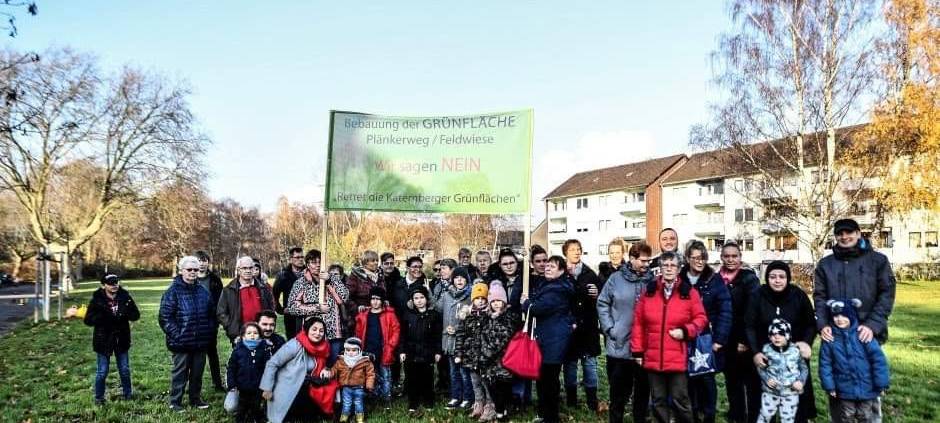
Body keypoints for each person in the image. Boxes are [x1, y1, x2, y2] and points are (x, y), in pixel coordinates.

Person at [813, 218, 896, 423]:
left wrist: (872, 325)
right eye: (840, 233)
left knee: (868, 389)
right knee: (840, 396)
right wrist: (823, 325)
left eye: (849, 232)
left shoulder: (878, 261)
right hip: (836, 335)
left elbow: (887, 294)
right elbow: (820, 297)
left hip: (866, 334)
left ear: (859, 234)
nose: (844, 237)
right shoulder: (826, 265)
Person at [631, 251, 707, 423]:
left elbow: (701, 319)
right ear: (660, 268)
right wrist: (637, 351)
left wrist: (686, 331)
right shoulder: (649, 292)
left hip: (677, 357)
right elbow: (638, 323)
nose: (669, 268)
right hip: (653, 356)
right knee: (658, 400)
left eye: (673, 265)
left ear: (679, 268)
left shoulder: (689, 292)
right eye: (665, 265)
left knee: (681, 399)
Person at [746, 261, 818, 423]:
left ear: (788, 278)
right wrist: (756, 352)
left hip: (793, 359)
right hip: (766, 359)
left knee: (795, 408)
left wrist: (806, 342)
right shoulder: (757, 295)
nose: (777, 280)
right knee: (764, 408)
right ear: (767, 278)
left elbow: (810, 324)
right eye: (772, 277)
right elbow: (749, 326)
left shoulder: (798, 295)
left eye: (781, 277)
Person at [597, 241, 654, 423]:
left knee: (642, 391)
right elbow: (602, 302)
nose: (646, 264)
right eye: (643, 261)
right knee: (618, 393)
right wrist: (610, 329)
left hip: (645, 347)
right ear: (631, 259)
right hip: (619, 344)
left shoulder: (653, 280)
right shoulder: (615, 279)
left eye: (648, 261)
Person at [680, 240, 732, 423]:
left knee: (707, 379)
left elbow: (725, 310)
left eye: (702, 257)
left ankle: (708, 415)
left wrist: (719, 339)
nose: (699, 261)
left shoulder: (714, 279)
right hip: (685, 338)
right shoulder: (680, 278)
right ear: (687, 258)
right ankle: (692, 415)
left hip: (707, 338)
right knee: (688, 381)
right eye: (694, 258)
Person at [520, 255, 575, 423]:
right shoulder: (549, 285)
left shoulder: (558, 289)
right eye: (547, 265)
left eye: (552, 266)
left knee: (549, 380)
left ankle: (550, 417)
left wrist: (526, 303)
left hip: (554, 341)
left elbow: (539, 308)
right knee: (544, 378)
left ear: (561, 271)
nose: (547, 268)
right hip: (548, 338)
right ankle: (545, 413)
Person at [158, 256, 216, 412]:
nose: (192, 272)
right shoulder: (172, 292)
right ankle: (175, 402)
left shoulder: (203, 291)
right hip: (181, 342)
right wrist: (178, 335)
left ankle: (195, 399)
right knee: (180, 373)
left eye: (195, 270)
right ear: (181, 270)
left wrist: (208, 332)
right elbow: (165, 318)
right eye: (189, 269)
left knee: (197, 373)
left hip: (200, 342)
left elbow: (212, 315)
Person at [818, 299, 890, 423]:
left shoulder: (862, 335)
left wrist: (881, 384)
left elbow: (878, 361)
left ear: (851, 316)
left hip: (867, 388)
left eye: (843, 315)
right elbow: (825, 365)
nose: (839, 319)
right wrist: (829, 386)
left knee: (865, 416)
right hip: (844, 390)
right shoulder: (830, 339)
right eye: (836, 316)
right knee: (846, 416)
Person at [260, 317, 339, 423]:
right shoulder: (295, 344)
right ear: (307, 330)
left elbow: (320, 365)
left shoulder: (324, 346)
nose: (318, 333)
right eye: (314, 329)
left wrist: (326, 369)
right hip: (289, 383)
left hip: (308, 382)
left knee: (332, 385)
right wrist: (267, 387)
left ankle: (327, 412)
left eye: (321, 331)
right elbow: (273, 363)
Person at [720, 242, 762, 423]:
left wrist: (745, 340)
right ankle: (736, 416)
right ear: (721, 257)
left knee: (752, 384)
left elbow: (753, 311)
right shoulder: (717, 279)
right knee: (732, 383)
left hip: (745, 341)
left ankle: (755, 418)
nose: (730, 259)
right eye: (727, 256)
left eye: (734, 256)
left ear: (740, 257)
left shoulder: (749, 279)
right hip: (726, 340)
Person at [84, 274, 141, 405]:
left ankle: (128, 394)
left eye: (116, 282)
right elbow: (88, 320)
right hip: (103, 340)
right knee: (102, 371)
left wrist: (125, 312)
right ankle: (99, 398)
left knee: (125, 370)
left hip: (122, 338)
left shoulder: (125, 297)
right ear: (103, 285)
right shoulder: (97, 300)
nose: (114, 285)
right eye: (110, 283)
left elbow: (136, 315)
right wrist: (103, 317)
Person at [285, 249, 349, 364]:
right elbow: (292, 307)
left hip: (333, 332)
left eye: (321, 262)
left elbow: (344, 297)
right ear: (308, 264)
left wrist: (329, 281)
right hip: (312, 333)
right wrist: (316, 308)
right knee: (313, 365)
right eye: (314, 262)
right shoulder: (301, 282)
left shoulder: (333, 279)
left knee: (333, 364)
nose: (318, 265)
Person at [562, 239, 602, 412]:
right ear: (566, 253)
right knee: (570, 364)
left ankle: (592, 400)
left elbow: (601, 296)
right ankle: (571, 399)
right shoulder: (561, 273)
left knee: (590, 364)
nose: (576, 252)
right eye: (572, 250)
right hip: (569, 328)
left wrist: (597, 294)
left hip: (588, 327)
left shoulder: (590, 273)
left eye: (579, 249)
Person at [354, 287, 400, 409]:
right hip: (367, 350)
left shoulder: (389, 315)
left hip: (384, 350)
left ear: (382, 301)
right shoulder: (364, 315)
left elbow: (396, 331)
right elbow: (358, 332)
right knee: (369, 374)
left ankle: (386, 398)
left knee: (385, 375)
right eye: (373, 299)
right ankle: (372, 396)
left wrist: (390, 346)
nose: (375, 302)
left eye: (378, 299)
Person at [400, 285, 443, 414]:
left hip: (427, 351)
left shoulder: (433, 315)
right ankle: (413, 402)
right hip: (411, 351)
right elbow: (403, 335)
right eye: (416, 298)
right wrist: (402, 351)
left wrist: (438, 351)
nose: (419, 300)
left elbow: (438, 335)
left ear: (426, 299)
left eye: (421, 297)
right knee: (412, 377)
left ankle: (428, 400)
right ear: (412, 300)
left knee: (427, 377)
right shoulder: (408, 315)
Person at [756, 319, 807, 423]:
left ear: (787, 335)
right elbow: (760, 368)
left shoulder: (795, 351)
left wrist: (801, 381)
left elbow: (804, 368)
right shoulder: (766, 350)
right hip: (770, 392)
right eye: (773, 334)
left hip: (790, 392)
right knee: (764, 416)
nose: (776, 337)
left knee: (788, 419)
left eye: (781, 334)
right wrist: (767, 379)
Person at [480, 281, 517, 421]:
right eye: (493, 301)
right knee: (493, 387)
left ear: (504, 302)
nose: (496, 304)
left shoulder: (507, 318)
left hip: (503, 361)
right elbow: (482, 335)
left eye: (499, 301)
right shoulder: (487, 317)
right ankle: (500, 410)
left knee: (503, 387)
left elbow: (502, 339)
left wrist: (487, 353)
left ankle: (503, 412)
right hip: (490, 364)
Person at [438, 267, 474, 410]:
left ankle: (467, 397)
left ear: (466, 280)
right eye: (456, 278)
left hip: (463, 340)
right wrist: (427, 292)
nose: (459, 280)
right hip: (449, 340)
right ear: (453, 280)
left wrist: (458, 328)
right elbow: (438, 308)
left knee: (464, 371)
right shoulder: (447, 295)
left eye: (462, 278)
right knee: (453, 371)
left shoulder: (470, 295)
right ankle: (455, 396)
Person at [455, 280, 491, 419]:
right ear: (473, 300)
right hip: (471, 356)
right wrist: (459, 353)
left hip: (485, 356)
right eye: (477, 298)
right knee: (475, 382)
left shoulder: (489, 316)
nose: (481, 301)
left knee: (486, 382)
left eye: (483, 298)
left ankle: (489, 405)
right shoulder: (467, 316)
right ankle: (478, 403)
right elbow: (460, 336)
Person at [218, 256, 276, 343]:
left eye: (250, 268)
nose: (248, 271)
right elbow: (221, 313)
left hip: (262, 334)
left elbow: (271, 308)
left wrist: (267, 327)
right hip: (240, 336)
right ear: (238, 270)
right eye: (244, 268)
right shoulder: (228, 290)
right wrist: (233, 330)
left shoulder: (263, 288)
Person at [227, 322, 273, 423]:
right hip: (242, 387)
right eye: (249, 333)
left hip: (258, 387)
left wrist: (267, 386)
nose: (252, 335)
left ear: (260, 335)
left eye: (255, 333)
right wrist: (232, 385)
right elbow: (231, 368)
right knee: (241, 409)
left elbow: (268, 369)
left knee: (256, 407)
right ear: (243, 336)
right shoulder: (238, 350)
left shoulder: (264, 349)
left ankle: (257, 417)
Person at [195, 250, 226, 391]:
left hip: (210, 322)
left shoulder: (215, 279)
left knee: (212, 353)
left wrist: (217, 320)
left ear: (208, 262)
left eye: (204, 261)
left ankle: (217, 383)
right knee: (195, 356)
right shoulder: (190, 277)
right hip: (194, 322)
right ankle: (195, 384)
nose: (202, 264)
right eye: (199, 261)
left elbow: (221, 300)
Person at [331, 337, 375, 423]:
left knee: (358, 404)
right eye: (348, 350)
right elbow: (334, 369)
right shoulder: (341, 360)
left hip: (359, 388)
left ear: (359, 350)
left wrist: (369, 384)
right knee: (346, 404)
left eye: (354, 350)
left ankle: (359, 418)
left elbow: (370, 374)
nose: (350, 353)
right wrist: (330, 373)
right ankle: (344, 418)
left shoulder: (364, 361)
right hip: (346, 388)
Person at [346, 251, 384, 335]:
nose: (376, 263)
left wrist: (385, 301)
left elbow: (383, 293)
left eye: (377, 260)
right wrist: (357, 308)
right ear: (365, 262)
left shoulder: (380, 276)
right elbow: (346, 297)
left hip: (379, 314)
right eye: (373, 261)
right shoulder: (355, 276)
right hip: (362, 315)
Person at [273, 247, 306, 337]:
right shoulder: (283, 275)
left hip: (307, 313)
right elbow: (274, 294)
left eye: (302, 257)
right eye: (297, 257)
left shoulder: (308, 273)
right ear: (291, 259)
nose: (300, 260)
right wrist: (281, 309)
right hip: (291, 316)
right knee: (292, 339)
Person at [491, 249, 522, 314]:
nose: (509, 267)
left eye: (512, 263)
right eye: (505, 264)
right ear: (499, 265)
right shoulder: (495, 283)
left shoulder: (525, 279)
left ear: (517, 262)